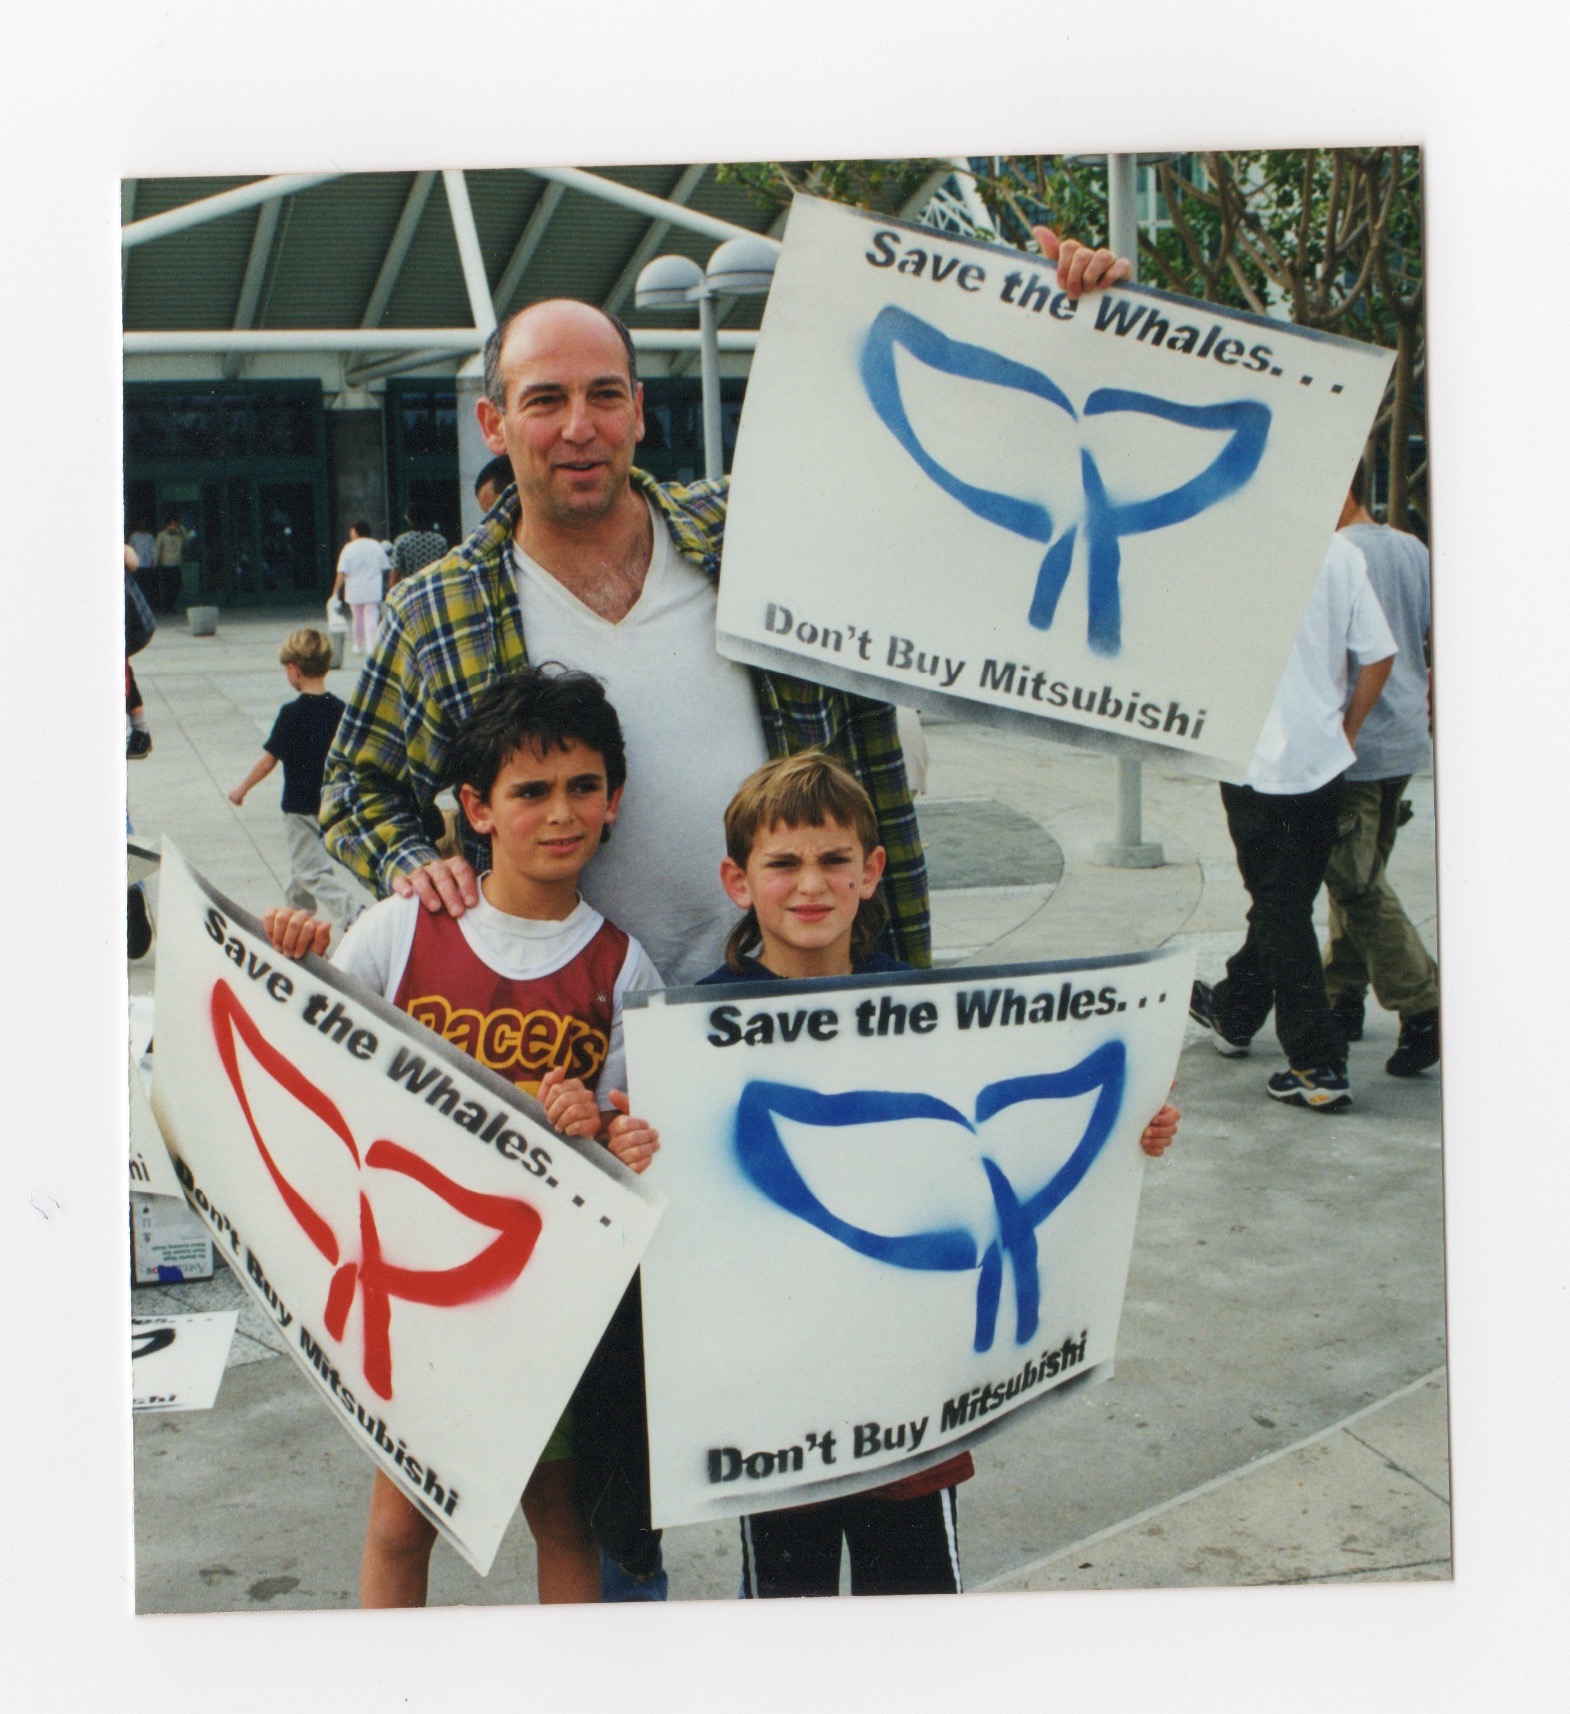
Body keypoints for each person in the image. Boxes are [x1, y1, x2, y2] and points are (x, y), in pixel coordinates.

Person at [611, 750, 1174, 1598]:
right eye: (784, 864)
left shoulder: (929, 1018)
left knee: (915, 1618)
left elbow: (1030, 1131)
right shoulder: (695, 1032)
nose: (812, 885)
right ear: (737, 880)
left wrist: (1133, 1125)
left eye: (835, 860)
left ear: (872, 872)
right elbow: (659, 1196)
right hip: (775, 1404)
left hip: (911, 1397)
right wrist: (636, 1148)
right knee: (787, 1624)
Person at [265, 666, 662, 1606]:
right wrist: (286, 957)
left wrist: (597, 1128)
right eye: (531, 792)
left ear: (614, 801)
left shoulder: (623, 963)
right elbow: (303, 1063)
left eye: (582, 788)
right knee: (401, 1522)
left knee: (559, 1516)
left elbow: (623, 1141)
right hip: (408, 1285)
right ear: (478, 809)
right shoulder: (400, 930)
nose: (560, 814)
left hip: (541, 1292)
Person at [1189, 530, 1397, 1110]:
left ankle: (1316, 1063)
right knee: (1285, 901)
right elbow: (1380, 655)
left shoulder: (1225, 547)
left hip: (1253, 757)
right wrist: (1346, 731)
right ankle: (1234, 1013)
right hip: (1320, 758)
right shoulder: (1338, 553)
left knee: (1280, 907)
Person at [1320, 483, 1439, 1079]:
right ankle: (1341, 998)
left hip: (1356, 740)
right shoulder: (1411, 548)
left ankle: (1425, 1003)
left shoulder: (1333, 554)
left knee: (1354, 880)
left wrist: (1342, 729)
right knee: (1363, 876)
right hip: (1404, 741)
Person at [229, 629, 363, 935]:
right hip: (330, 805)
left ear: (294, 671)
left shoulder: (291, 714)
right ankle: (297, 920)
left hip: (298, 808)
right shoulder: (340, 710)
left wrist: (241, 789)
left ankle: (353, 914)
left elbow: (268, 760)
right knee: (299, 872)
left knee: (310, 870)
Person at [331, 520, 390, 654]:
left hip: (354, 589)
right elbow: (385, 567)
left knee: (357, 618)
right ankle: (371, 645)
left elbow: (342, 572)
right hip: (372, 588)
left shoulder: (349, 548)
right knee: (371, 617)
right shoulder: (376, 546)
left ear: (356, 532)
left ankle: (358, 645)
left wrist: (335, 592)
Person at [124, 542, 156, 759]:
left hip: (131, 623)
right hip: (137, 621)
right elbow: (132, 559)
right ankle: (140, 733)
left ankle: (141, 734)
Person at [389, 507, 448, 589]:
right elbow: (445, 568)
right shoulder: (440, 541)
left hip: (411, 591)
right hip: (434, 588)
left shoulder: (402, 541)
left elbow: (395, 574)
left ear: (409, 520)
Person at [152, 515, 188, 615]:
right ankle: (168, 608)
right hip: (166, 564)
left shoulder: (179, 534)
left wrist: (181, 528)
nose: (173, 526)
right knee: (168, 587)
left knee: (177, 586)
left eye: (174, 524)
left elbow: (187, 539)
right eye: (171, 524)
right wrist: (155, 560)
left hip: (176, 563)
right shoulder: (162, 535)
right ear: (167, 525)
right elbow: (157, 547)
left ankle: (172, 606)